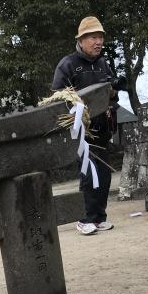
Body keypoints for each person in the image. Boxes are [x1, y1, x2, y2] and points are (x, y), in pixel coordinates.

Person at [52, 16, 126, 236]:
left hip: (103, 128)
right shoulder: (68, 65)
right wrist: (78, 115)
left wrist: (111, 105)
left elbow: (113, 95)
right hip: (81, 131)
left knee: (104, 174)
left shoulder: (103, 64)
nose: (98, 42)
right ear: (81, 40)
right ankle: (85, 218)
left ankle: (100, 217)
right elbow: (57, 98)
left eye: (101, 37)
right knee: (88, 173)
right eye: (93, 37)